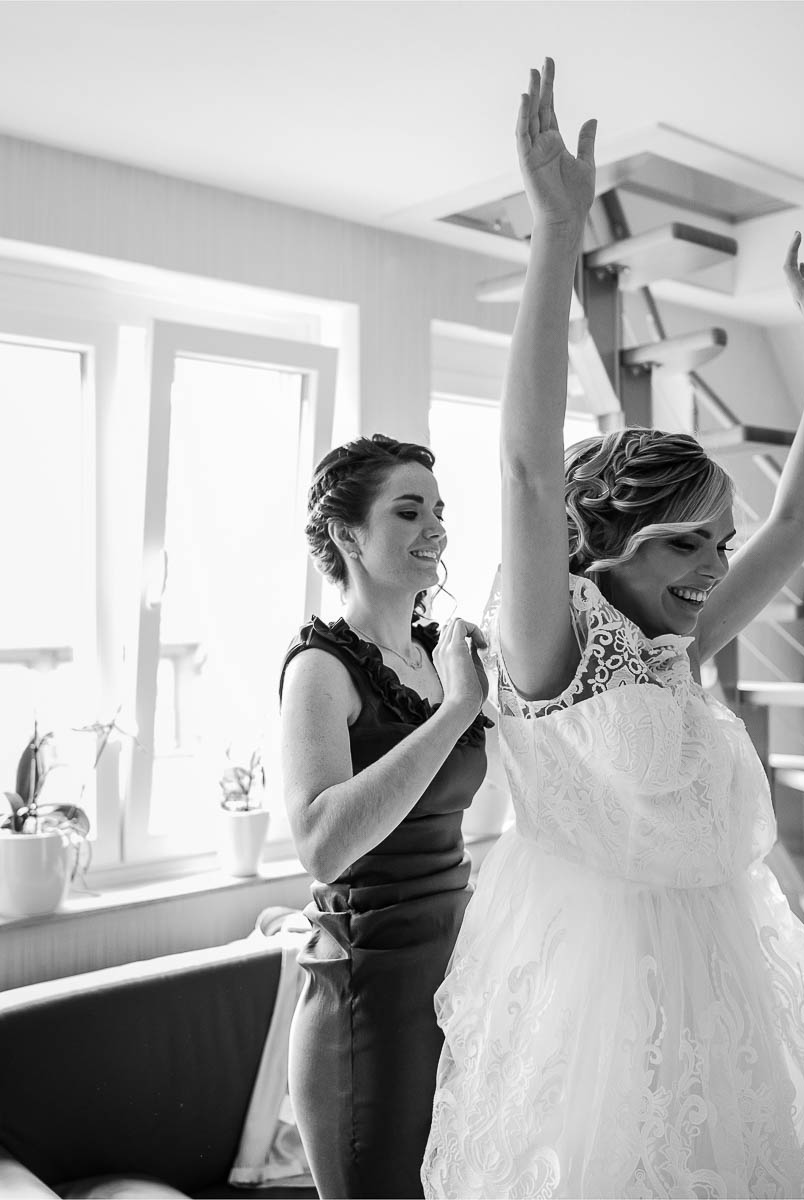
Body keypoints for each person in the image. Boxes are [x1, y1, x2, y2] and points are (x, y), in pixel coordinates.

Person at [420, 60, 804, 1198]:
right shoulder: (550, 644)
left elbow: (803, 518)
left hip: (716, 974)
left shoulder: (678, 641)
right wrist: (555, 235)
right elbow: (525, 468)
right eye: (685, 544)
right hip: (593, 997)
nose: (714, 567)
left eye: (717, 542)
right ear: (610, 543)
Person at [277, 433, 493, 1199]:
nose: (435, 528)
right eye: (408, 512)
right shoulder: (320, 670)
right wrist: (458, 710)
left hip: (460, 976)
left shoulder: (450, 655)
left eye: (439, 510)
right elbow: (322, 844)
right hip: (370, 992)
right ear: (347, 535)